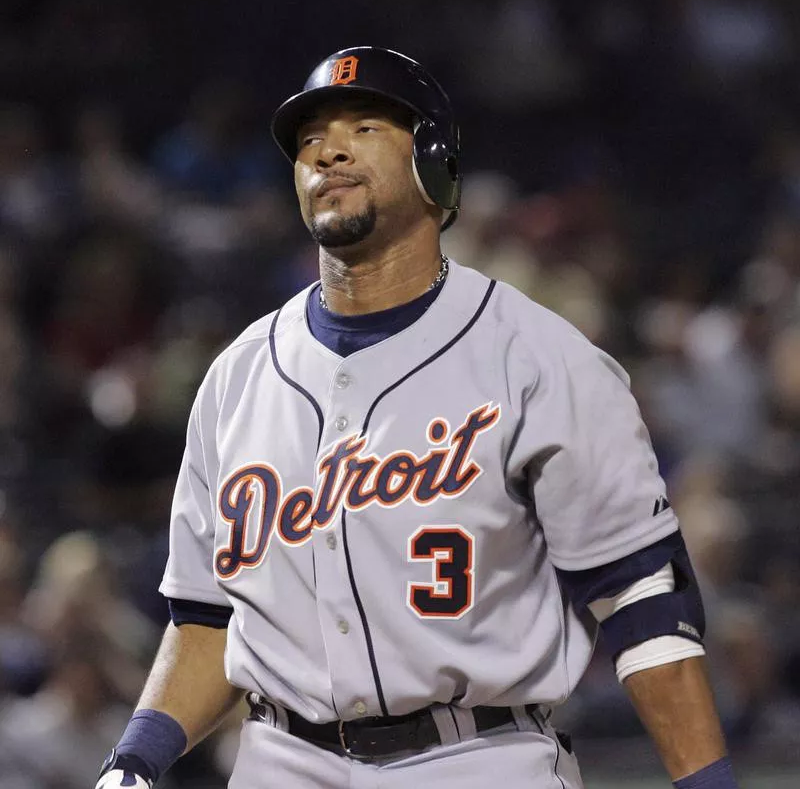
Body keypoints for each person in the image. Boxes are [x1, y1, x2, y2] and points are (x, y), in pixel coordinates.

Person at [95, 46, 739, 789]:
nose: (327, 150)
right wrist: (134, 761)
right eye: (308, 140)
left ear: (435, 160)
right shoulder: (238, 376)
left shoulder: (538, 359)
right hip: (280, 761)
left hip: (482, 759)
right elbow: (209, 621)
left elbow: (641, 602)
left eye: (364, 126)